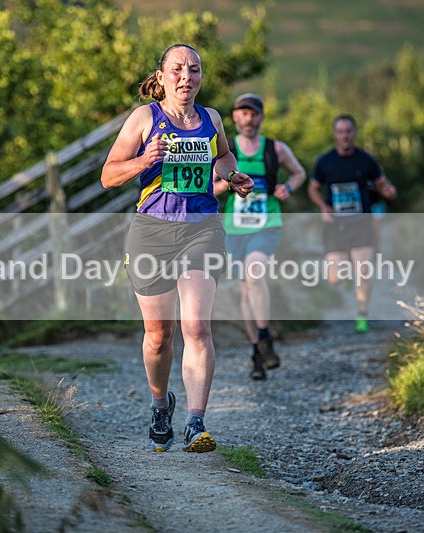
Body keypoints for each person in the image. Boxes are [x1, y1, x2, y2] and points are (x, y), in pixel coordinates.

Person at [101, 44, 253, 453]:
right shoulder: (143, 119)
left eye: (195, 70)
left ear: (202, 75)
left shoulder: (211, 118)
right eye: (178, 70)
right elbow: (108, 176)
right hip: (152, 232)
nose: (187, 77)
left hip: (201, 228)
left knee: (197, 327)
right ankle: (159, 404)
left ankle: (195, 421)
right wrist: (143, 159)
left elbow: (223, 156)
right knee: (158, 335)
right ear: (163, 75)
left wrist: (233, 175)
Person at [213, 93, 306, 380]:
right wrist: (230, 186)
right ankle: (257, 352)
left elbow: (299, 173)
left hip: (267, 224)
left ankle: (264, 334)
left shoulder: (274, 149)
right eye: (243, 113)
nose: (249, 119)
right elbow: (210, 187)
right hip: (235, 227)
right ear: (235, 117)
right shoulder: (225, 150)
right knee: (244, 289)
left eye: (253, 114)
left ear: (261, 117)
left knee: (255, 273)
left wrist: (287, 188)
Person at [308, 114, 397, 333]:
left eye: (348, 131)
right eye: (340, 131)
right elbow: (313, 189)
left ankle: (362, 315)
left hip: (361, 224)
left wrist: (389, 190)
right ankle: (345, 276)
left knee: (365, 272)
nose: (344, 135)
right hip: (335, 226)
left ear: (354, 133)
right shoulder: (325, 161)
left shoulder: (366, 160)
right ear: (335, 134)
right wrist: (323, 207)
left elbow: (383, 183)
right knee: (335, 279)